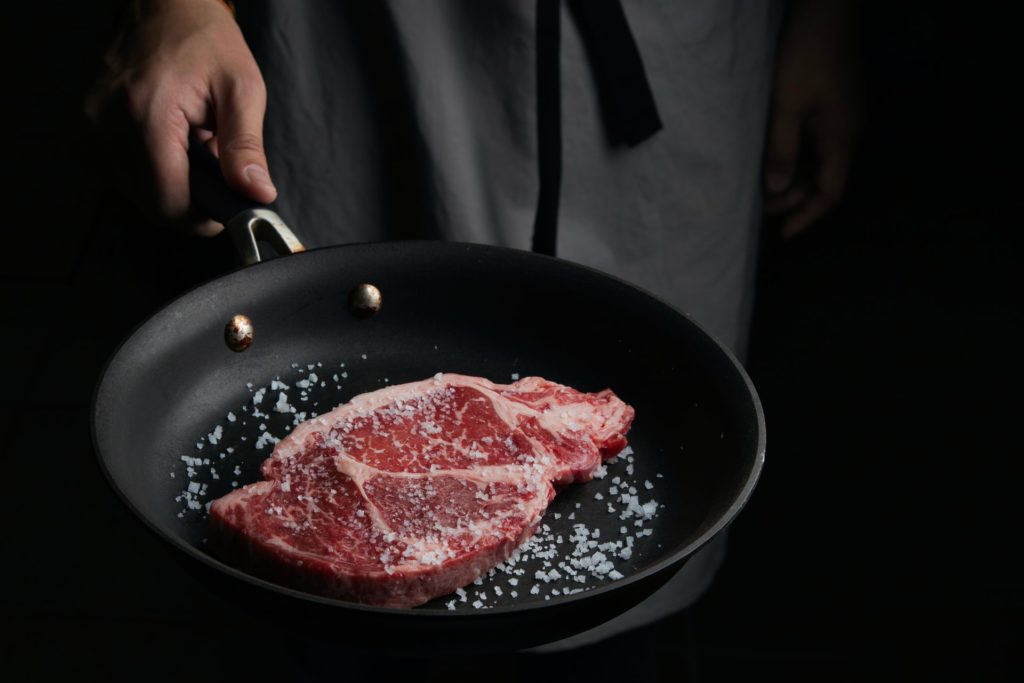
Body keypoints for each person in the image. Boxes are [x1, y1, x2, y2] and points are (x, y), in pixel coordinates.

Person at [88, 0, 859, 655]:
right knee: (316, 651)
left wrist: (828, 19)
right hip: (374, 45)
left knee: (637, 610)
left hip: (677, 54)